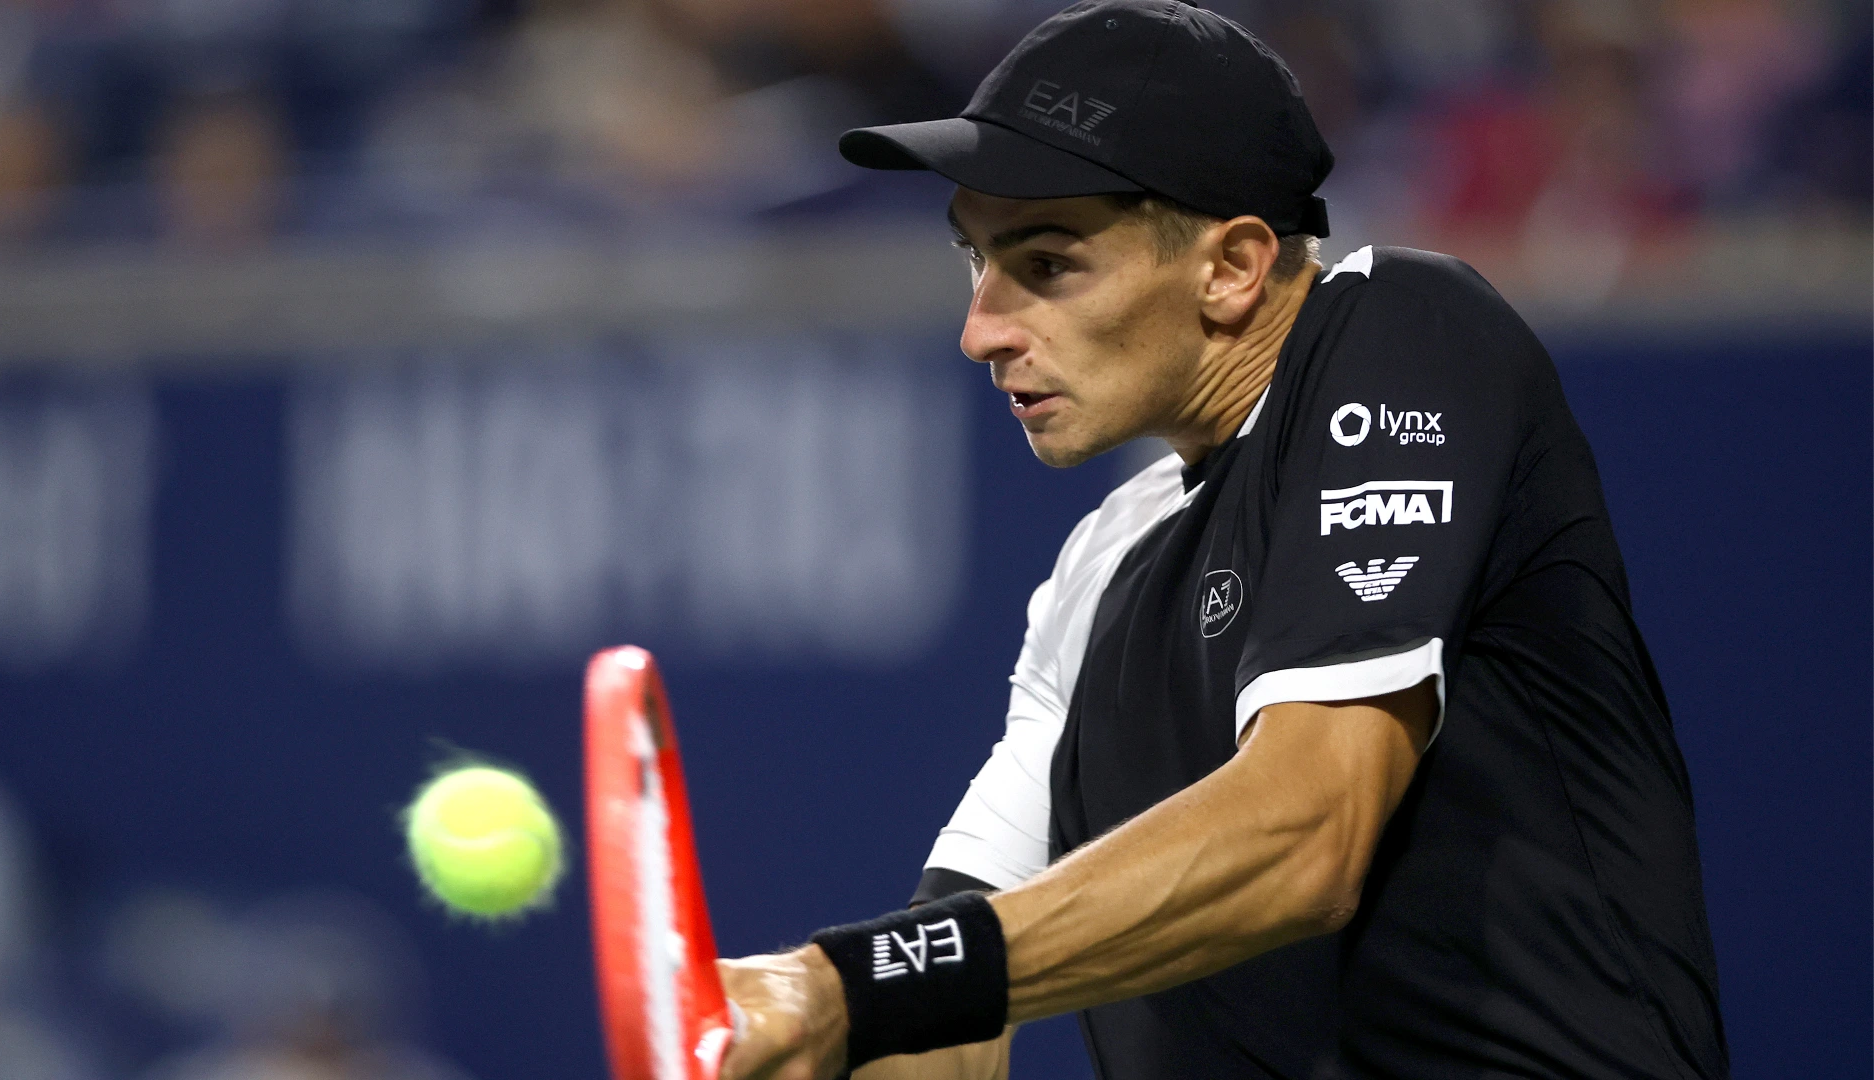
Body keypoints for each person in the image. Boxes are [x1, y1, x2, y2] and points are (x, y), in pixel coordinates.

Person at [717, 3, 1728, 1079]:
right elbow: (945, 1027)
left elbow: (1307, 836)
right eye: (977, 260)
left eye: (1047, 265)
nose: (982, 330)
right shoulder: (1098, 569)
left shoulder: (1409, 330)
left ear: (1234, 266)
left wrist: (840, 987)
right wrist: (784, 1035)